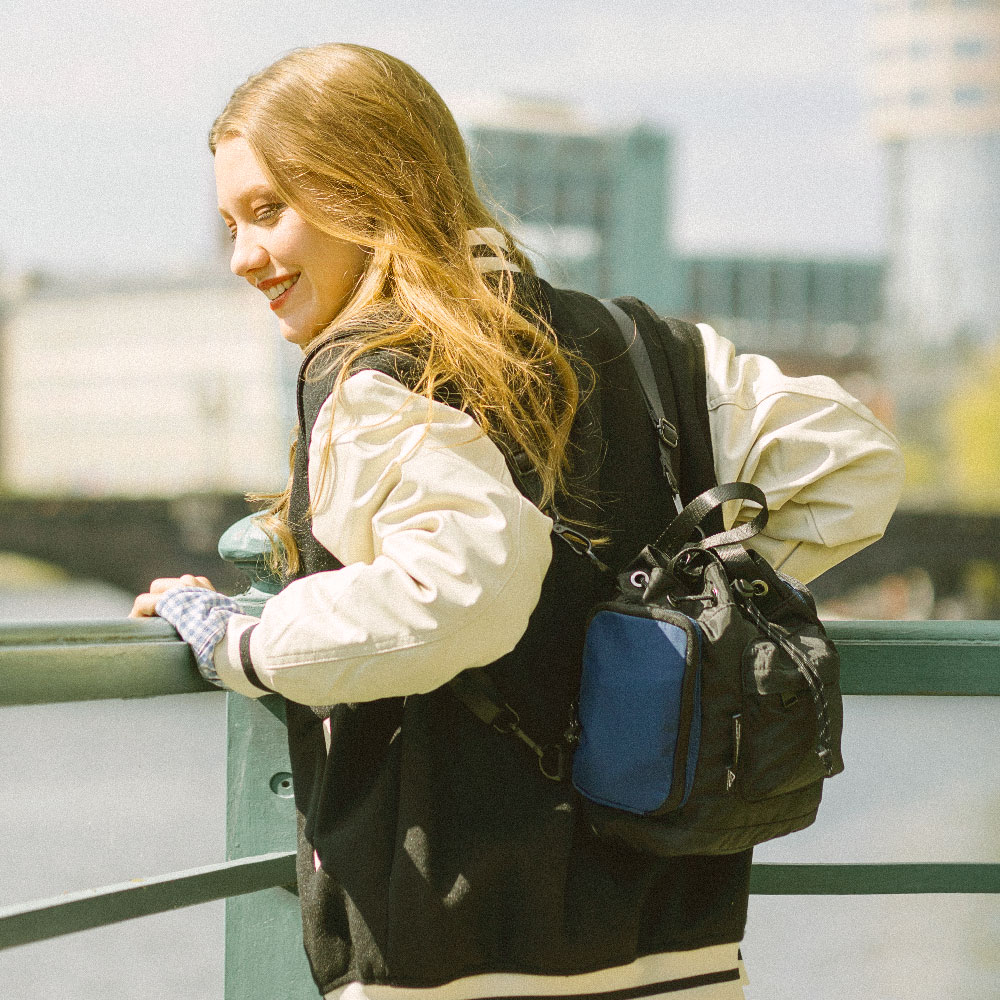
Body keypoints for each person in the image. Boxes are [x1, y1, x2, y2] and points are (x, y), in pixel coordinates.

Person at [131, 42, 905, 1000]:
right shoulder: (644, 344)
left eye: (267, 212)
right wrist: (670, 595)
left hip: (460, 947)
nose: (245, 258)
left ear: (367, 189)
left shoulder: (376, 374)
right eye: (231, 224)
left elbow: (467, 587)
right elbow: (855, 466)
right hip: (678, 934)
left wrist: (243, 641)